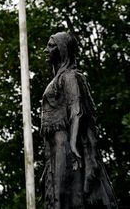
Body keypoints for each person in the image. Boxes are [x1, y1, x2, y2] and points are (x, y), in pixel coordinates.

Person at [41, 32, 118, 209]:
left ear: (62, 50)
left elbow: (77, 110)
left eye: (51, 45)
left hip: (64, 143)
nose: (46, 50)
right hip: (54, 147)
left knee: (63, 195)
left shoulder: (70, 77)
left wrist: (74, 144)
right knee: (54, 195)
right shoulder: (57, 79)